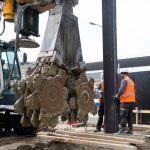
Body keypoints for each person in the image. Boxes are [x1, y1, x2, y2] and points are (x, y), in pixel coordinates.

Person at [114, 69, 135, 135]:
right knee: (129, 116)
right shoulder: (131, 81)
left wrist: (117, 96)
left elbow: (121, 90)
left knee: (123, 115)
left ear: (123, 73)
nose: (120, 75)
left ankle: (122, 130)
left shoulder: (124, 80)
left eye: (121, 74)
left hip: (125, 101)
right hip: (131, 101)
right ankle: (130, 130)